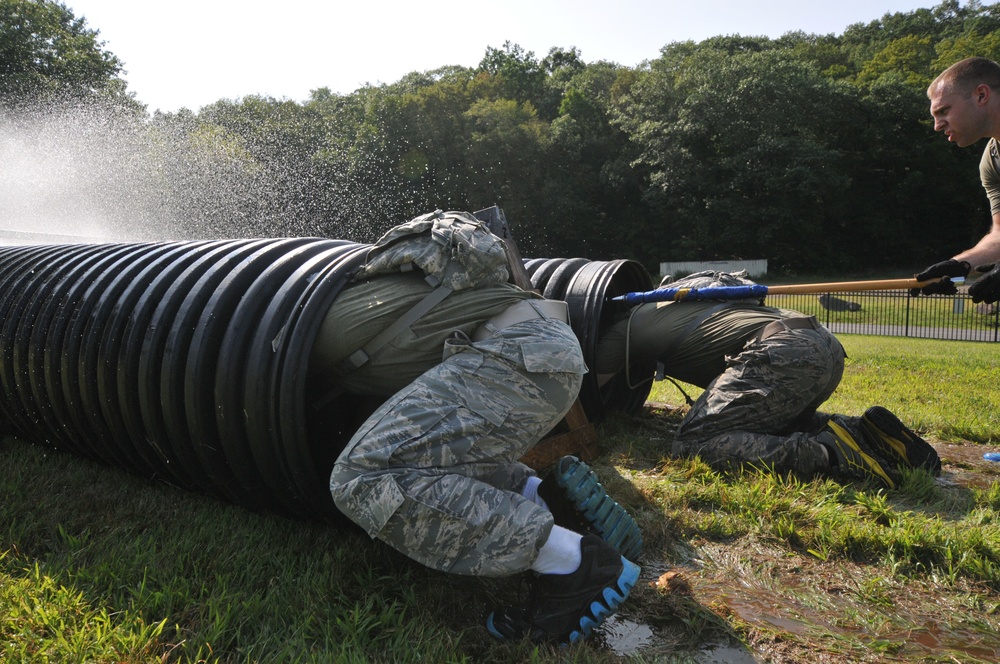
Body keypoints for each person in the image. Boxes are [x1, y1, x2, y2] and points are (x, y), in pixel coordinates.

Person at [310, 209, 642, 645]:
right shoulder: (378, 286)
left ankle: (573, 563)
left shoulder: (325, 308)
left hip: (512, 358)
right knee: (425, 456)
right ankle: (541, 498)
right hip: (542, 350)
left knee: (363, 475)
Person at [593, 271, 941, 488]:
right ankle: (861, 432)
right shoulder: (675, 299)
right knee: (763, 419)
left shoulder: (618, 332)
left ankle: (830, 455)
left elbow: (590, 394)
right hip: (824, 344)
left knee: (693, 442)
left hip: (782, 353)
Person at [916, 56, 1000, 303]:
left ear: (981, 95)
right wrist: (960, 264)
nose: (937, 126)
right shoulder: (992, 162)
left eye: (943, 111)